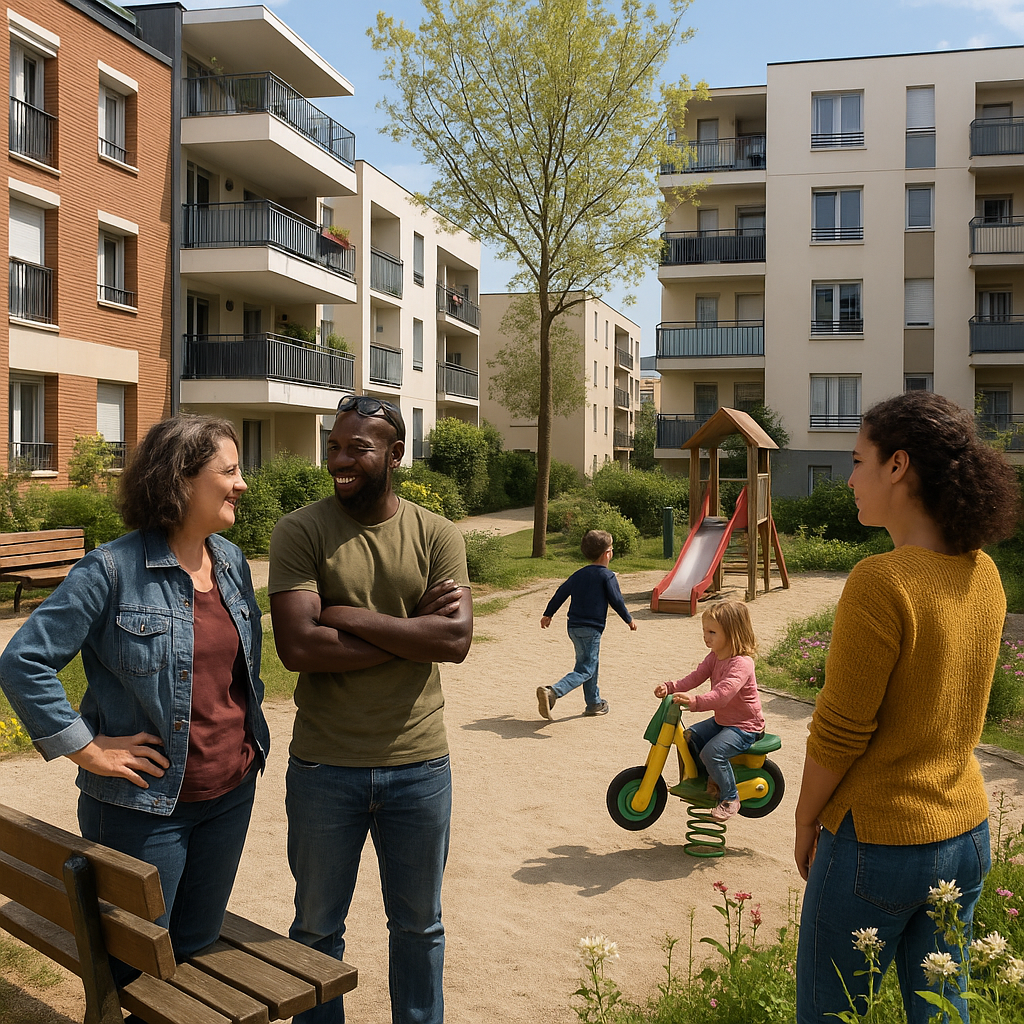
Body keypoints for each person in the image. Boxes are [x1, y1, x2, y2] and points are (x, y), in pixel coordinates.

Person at [0, 416, 269, 985]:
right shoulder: (111, 570)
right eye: (230, 471)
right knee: (134, 970)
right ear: (182, 480)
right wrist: (88, 749)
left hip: (229, 794)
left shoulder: (232, 563)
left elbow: (242, 677)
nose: (242, 483)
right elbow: (23, 660)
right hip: (143, 811)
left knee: (196, 947)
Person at [793, 391, 1021, 1024]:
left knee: (830, 1014)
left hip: (876, 841)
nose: (852, 476)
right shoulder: (984, 573)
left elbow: (839, 731)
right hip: (965, 833)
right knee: (943, 1011)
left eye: (858, 458)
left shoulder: (882, 580)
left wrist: (806, 820)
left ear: (898, 466)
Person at [268, 394, 472, 1024]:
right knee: (317, 930)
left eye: (357, 447)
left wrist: (351, 616)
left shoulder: (436, 534)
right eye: (334, 445)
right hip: (325, 768)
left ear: (395, 454)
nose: (339, 460)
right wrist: (408, 632)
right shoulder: (301, 530)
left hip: (419, 766)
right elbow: (300, 646)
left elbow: (455, 641)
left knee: (419, 927)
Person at [653, 600, 764, 822]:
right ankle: (707, 780)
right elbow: (696, 676)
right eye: (704, 631)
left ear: (732, 633)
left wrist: (695, 701)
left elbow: (723, 695)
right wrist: (671, 686)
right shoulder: (714, 656)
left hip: (745, 726)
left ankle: (731, 797)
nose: (706, 637)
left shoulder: (742, 664)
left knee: (712, 752)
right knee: (690, 737)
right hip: (724, 721)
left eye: (712, 632)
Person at [537, 529, 637, 720]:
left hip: (573, 627)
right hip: (591, 629)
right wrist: (628, 619)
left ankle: (593, 703)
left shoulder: (578, 574)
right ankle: (553, 692)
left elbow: (561, 593)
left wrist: (548, 613)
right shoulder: (607, 576)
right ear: (607, 553)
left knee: (589, 663)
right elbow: (616, 600)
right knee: (585, 668)